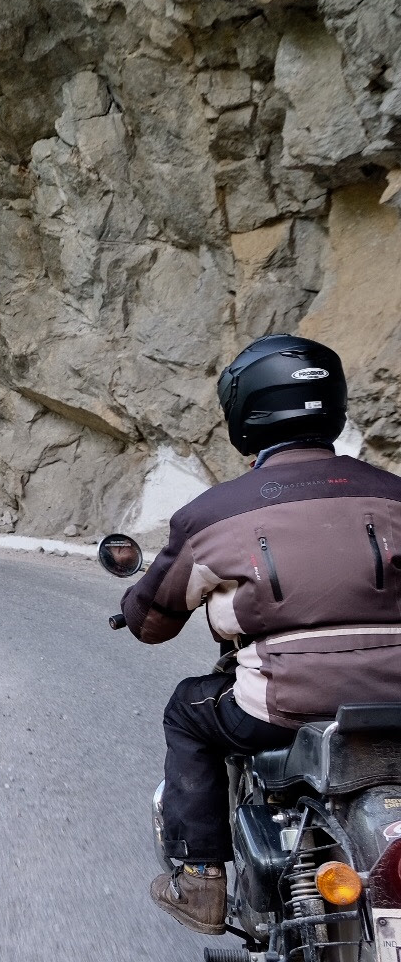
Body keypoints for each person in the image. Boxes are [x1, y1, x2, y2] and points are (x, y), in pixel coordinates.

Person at [121, 334, 401, 934]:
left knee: (188, 709)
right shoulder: (394, 493)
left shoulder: (213, 515)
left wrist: (138, 601)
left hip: (282, 706)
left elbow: (151, 624)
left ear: (245, 412)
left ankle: (201, 882)